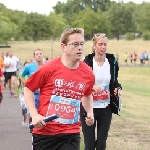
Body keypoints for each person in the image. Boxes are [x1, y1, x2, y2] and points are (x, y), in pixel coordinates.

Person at [24, 28, 95, 150]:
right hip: (45, 132)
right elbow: (28, 88)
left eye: (82, 44)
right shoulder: (49, 67)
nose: (80, 48)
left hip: (71, 133)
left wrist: (90, 112)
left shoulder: (88, 73)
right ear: (63, 46)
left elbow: (87, 94)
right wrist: (34, 114)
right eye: (75, 44)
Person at [80, 33, 122, 150]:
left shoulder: (112, 61)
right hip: (89, 108)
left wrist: (118, 89)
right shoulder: (87, 61)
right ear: (94, 45)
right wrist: (91, 87)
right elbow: (80, 83)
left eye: (105, 44)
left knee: (102, 143)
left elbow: (115, 82)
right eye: (100, 44)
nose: (103, 47)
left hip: (106, 107)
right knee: (89, 145)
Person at [20, 49, 44, 131]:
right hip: (33, 94)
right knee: (31, 115)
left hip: (44, 93)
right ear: (34, 56)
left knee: (42, 113)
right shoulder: (29, 67)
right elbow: (22, 76)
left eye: (40, 53)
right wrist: (27, 84)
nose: (39, 55)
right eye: (37, 54)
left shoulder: (47, 65)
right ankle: (32, 125)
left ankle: (39, 130)